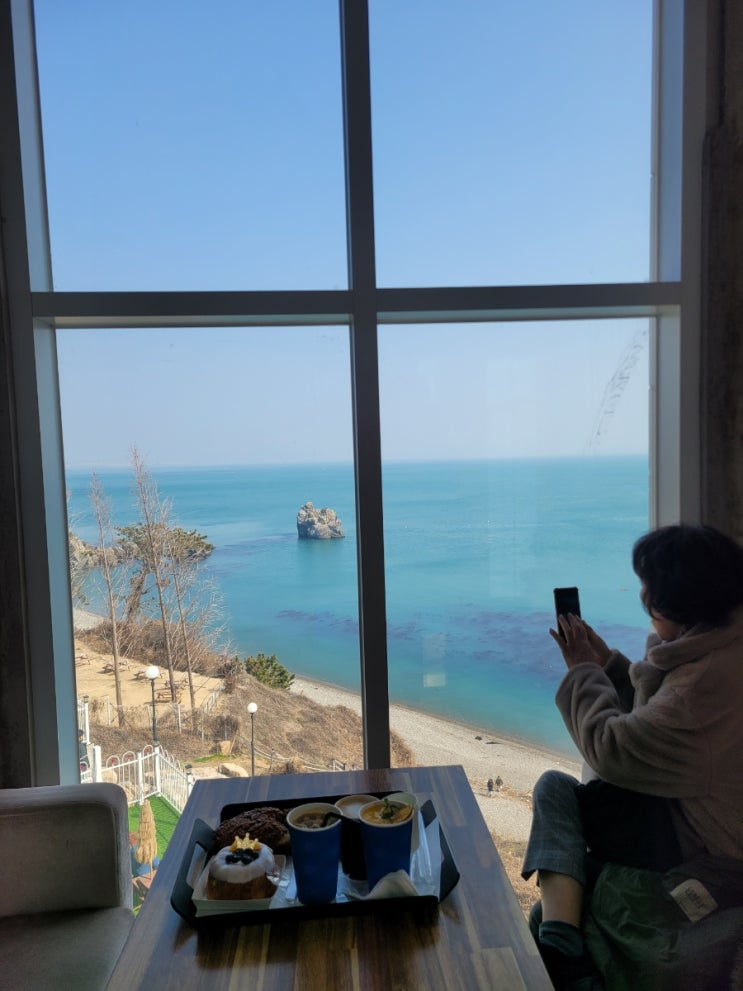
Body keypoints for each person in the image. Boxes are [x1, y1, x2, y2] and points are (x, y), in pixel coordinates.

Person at [522, 524, 743, 991]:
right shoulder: (718, 647)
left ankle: (564, 947)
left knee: (581, 901)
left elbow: (612, 749)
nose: (642, 596)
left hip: (710, 853)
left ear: (678, 600)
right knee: (556, 788)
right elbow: (661, 729)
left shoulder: (703, 684)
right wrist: (608, 666)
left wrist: (583, 670)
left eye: (649, 590)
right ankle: (563, 936)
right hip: (671, 812)